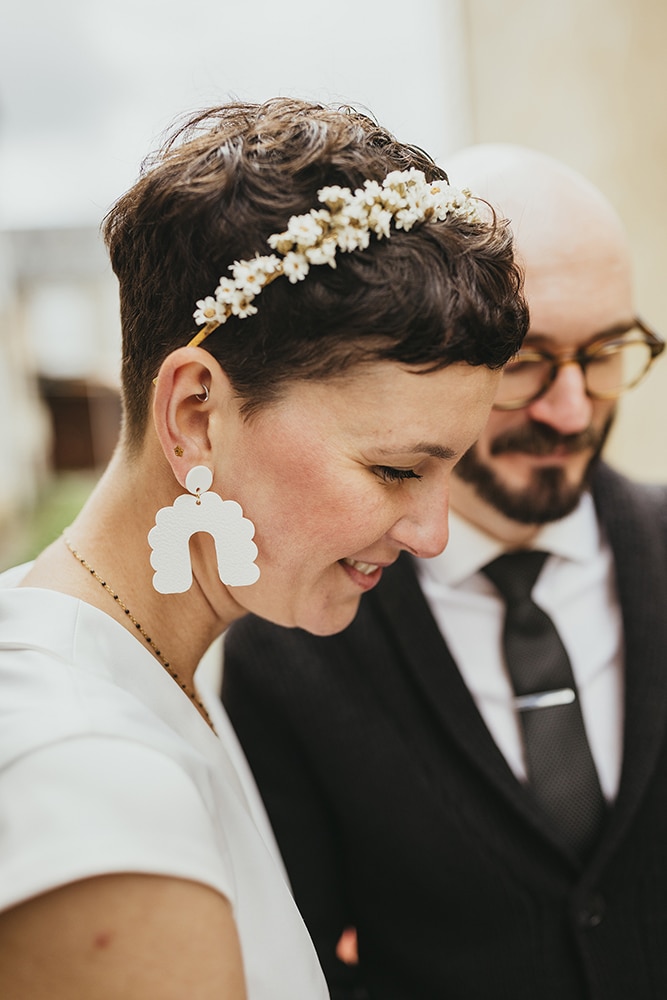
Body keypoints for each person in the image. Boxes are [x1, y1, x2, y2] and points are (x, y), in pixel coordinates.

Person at [0, 104, 527, 999]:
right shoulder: (91, 769)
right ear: (195, 415)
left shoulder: (163, 670)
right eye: (396, 468)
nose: (432, 535)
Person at [221, 144, 667, 1000]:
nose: (570, 410)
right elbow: (299, 967)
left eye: (607, 353)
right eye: (526, 361)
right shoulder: (287, 646)